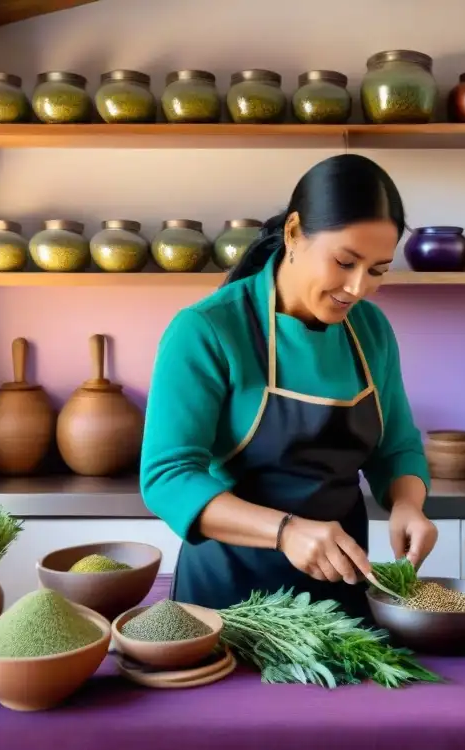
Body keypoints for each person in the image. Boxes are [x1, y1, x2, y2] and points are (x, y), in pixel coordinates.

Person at [139, 153, 436, 618]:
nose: (358, 288)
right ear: (295, 233)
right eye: (344, 261)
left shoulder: (371, 331)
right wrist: (286, 531)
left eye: (377, 269)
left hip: (342, 602)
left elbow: (397, 447)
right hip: (227, 603)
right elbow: (167, 477)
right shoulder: (206, 330)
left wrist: (407, 504)